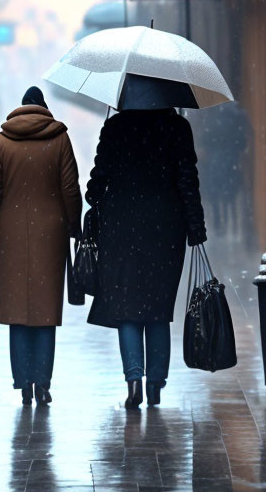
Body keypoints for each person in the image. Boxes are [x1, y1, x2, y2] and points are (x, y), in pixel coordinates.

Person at [85, 108, 206, 408]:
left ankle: (133, 381)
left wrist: (96, 193)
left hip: (121, 228)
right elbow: (188, 181)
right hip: (165, 229)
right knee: (158, 308)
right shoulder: (177, 127)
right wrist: (196, 227)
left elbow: (96, 185)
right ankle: (155, 383)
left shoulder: (115, 126)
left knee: (127, 308)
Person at [0, 86, 82, 405]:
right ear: (43, 107)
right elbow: (70, 188)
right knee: (45, 311)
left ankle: (22, 381)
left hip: (10, 233)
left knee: (17, 311)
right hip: (50, 233)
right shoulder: (60, 139)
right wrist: (74, 223)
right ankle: (43, 382)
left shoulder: (2, 140)